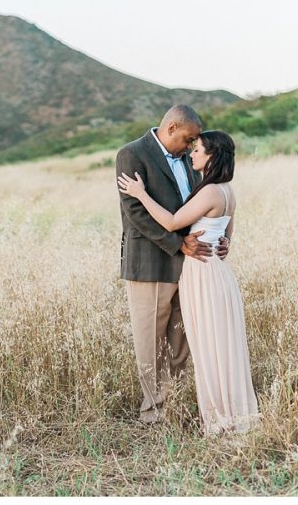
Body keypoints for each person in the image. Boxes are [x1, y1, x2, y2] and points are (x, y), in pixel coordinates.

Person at [118, 130, 260, 435]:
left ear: (211, 156)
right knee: (220, 344)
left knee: (208, 345)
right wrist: (224, 243)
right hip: (216, 271)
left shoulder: (208, 191)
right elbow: (226, 230)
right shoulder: (226, 190)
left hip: (202, 274)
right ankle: (230, 412)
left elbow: (171, 222)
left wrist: (141, 193)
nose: (191, 153)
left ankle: (220, 418)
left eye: (198, 150)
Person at [115, 105, 229, 424]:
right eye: (188, 138)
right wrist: (178, 244)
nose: (191, 146)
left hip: (191, 265)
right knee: (150, 339)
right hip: (151, 262)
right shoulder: (131, 154)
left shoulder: (191, 162)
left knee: (181, 336)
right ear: (171, 128)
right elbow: (134, 214)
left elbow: (198, 209)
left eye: (195, 142)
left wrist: (215, 239)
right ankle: (153, 411)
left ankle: (173, 402)